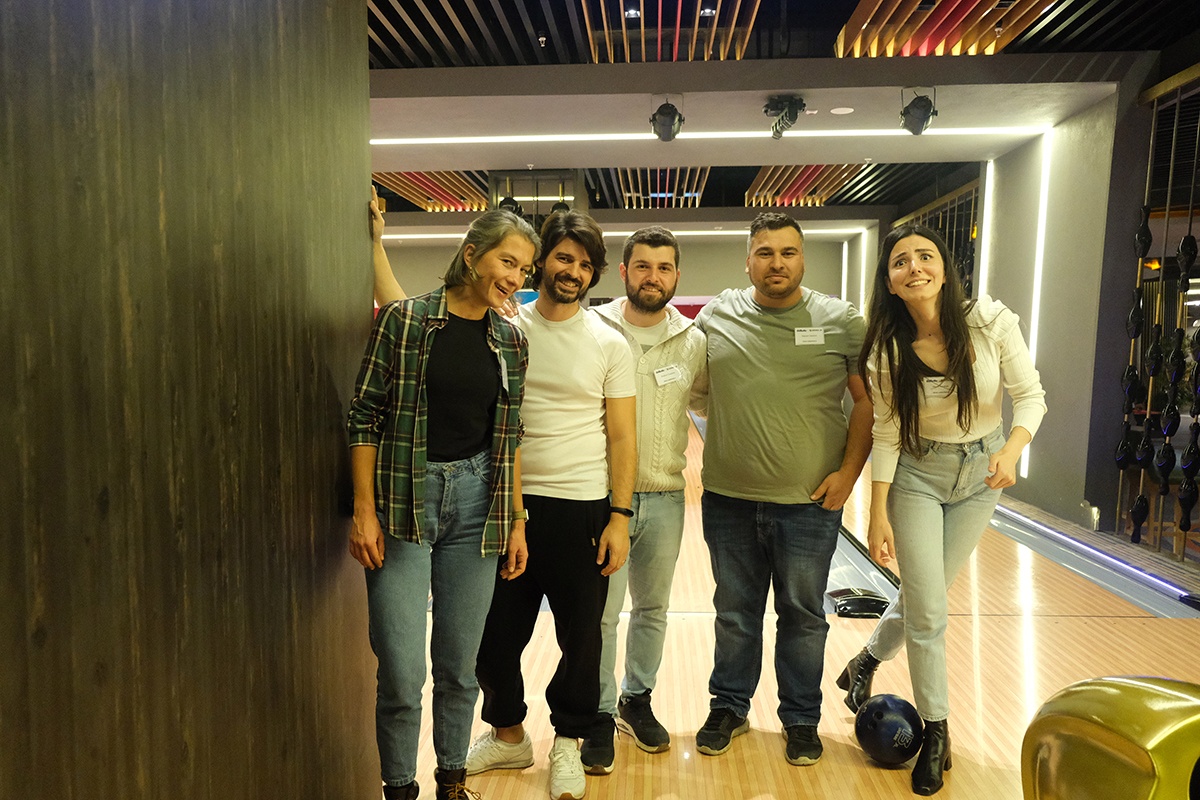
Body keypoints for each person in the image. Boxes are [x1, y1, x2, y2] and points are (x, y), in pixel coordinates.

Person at [837, 223, 1046, 796]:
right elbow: (886, 432)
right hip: (917, 478)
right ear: (890, 282)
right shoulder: (886, 349)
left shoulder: (990, 323)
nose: (915, 267)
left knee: (924, 599)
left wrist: (1012, 449)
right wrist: (877, 512)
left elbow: (1031, 396)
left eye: (925, 256)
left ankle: (865, 661)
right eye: (901, 261)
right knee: (929, 613)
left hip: (981, 478)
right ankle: (937, 731)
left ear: (945, 268)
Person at [347, 200, 539, 800]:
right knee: (402, 674)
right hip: (404, 500)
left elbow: (509, 437)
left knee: (459, 668)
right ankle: (400, 788)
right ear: (472, 255)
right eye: (508, 261)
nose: (515, 277)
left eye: (524, 270)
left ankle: (452, 782)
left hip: (478, 504)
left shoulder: (510, 341)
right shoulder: (404, 321)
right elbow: (363, 416)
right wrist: (363, 511)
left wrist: (516, 520)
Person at [465, 210, 636, 800]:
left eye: (585, 264)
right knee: (493, 636)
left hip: (581, 507)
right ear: (542, 262)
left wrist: (620, 516)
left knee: (581, 640)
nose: (574, 271)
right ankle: (509, 735)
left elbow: (622, 437)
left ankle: (567, 741)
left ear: (594, 274)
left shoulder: (609, 343)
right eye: (565, 258)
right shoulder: (505, 327)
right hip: (506, 504)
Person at [691, 211, 872, 766]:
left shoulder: (841, 321)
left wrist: (849, 474)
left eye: (788, 252)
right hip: (728, 499)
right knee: (735, 613)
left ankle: (800, 718)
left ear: (803, 258)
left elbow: (867, 403)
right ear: (747, 260)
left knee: (803, 616)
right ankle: (729, 707)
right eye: (765, 253)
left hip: (809, 504)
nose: (777, 263)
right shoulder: (717, 314)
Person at [581, 227, 707, 773]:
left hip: (666, 496)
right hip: (603, 498)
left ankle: (637, 700)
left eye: (663, 268)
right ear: (623, 272)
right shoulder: (592, 326)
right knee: (602, 615)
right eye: (642, 266)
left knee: (653, 609)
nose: (652, 277)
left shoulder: (693, 340)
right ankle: (599, 713)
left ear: (676, 275)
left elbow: (706, 401)